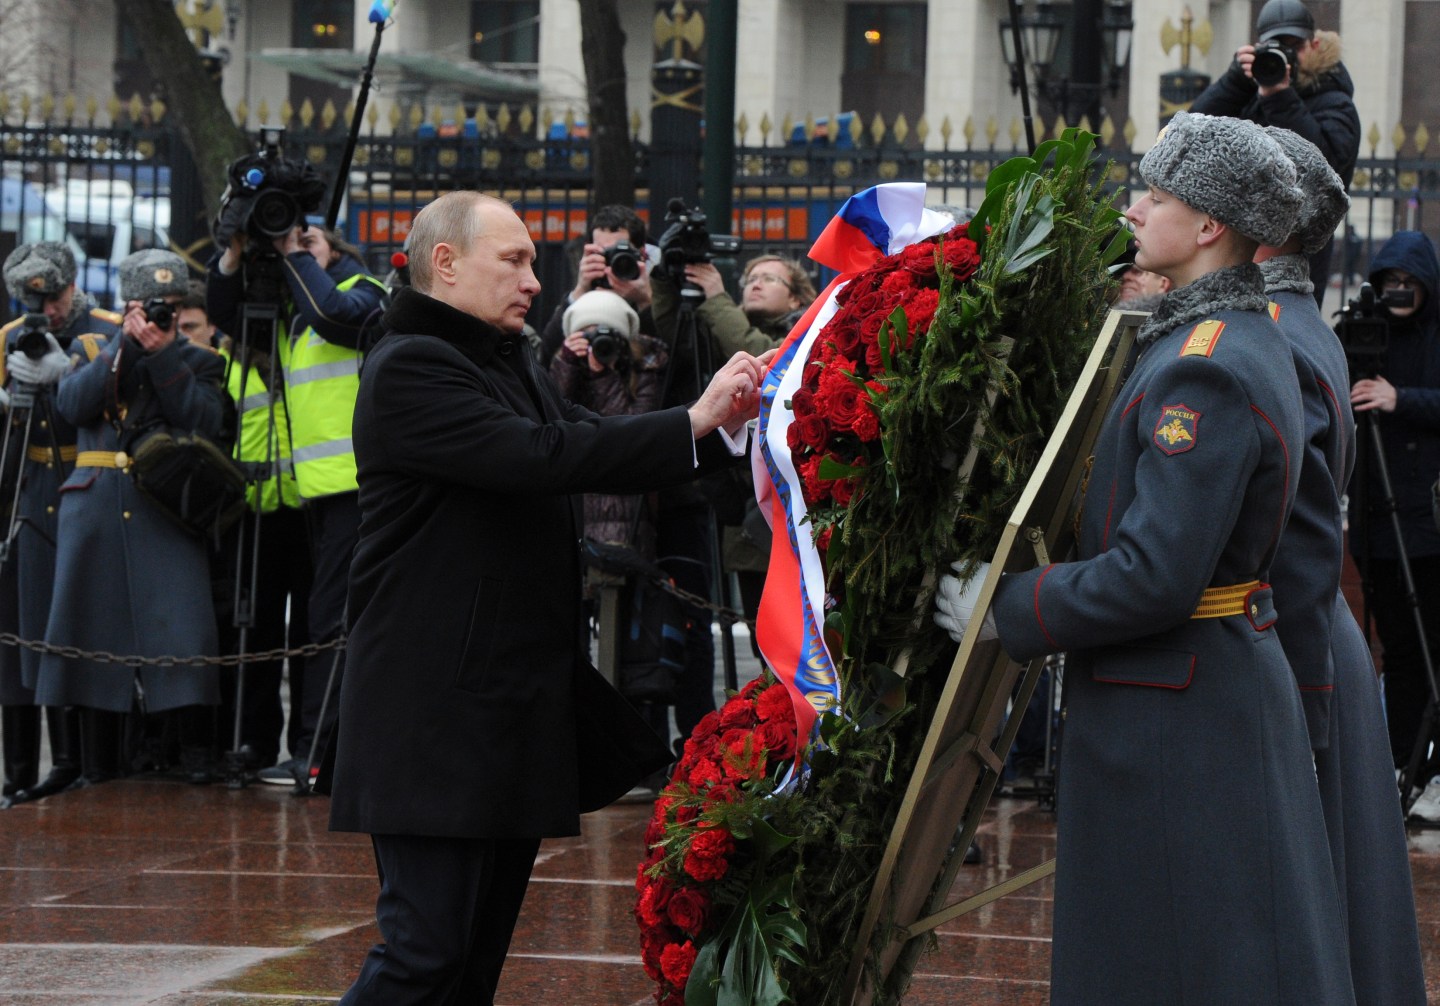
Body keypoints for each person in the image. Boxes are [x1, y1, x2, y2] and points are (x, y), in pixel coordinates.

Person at [935, 111, 1353, 1002]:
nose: (1133, 209)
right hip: (1196, 694)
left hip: (1179, 709)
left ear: (1209, 227)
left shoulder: (1204, 366)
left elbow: (1155, 575)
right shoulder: (1222, 336)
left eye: (1154, 195)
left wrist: (1008, 606)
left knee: (1175, 956)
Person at [327, 191, 771, 1004]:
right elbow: (539, 454)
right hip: (433, 713)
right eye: (516, 261)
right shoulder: (411, 364)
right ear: (446, 262)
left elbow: (584, 432)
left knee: (470, 963)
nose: (535, 280)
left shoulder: (497, 359)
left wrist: (709, 424)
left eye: (533, 262)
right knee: (424, 953)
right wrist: (691, 423)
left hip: (499, 708)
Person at [1256, 127, 1427, 1004]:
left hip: (1293, 638)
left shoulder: (1270, 335)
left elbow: (1298, 535)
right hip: (1313, 634)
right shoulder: (1288, 321)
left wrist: (1300, 696)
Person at [36, 249, 230, 787]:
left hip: (164, 510)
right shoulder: (93, 346)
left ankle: (193, 754)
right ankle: (95, 763)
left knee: (183, 634)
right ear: (128, 305)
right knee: (92, 634)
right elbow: (72, 407)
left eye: (169, 306)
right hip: (95, 508)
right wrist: (123, 344)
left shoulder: (200, 359)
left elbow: (204, 421)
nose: (160, 315)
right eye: (150, 306)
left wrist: (165, 356)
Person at [208, 223, 387, 785]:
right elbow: (226, 314)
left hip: (355, 487)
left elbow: (334, 315)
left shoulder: (363, 289)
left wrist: (292, 251)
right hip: (313, 492)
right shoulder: (291, 308)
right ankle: (311, 749)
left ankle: (318, 752)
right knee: (318, 622)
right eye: (289, 244)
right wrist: (236, 255)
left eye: (310, 242)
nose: (295, 254)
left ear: (334, 250)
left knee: (330, 622)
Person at [0, 242, 120, 806]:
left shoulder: (105, 328)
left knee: (77, 627)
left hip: (85, 486)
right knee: (23, 632)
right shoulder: (6, 339)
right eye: (31, 298)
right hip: (31, 489)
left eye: (52, 297)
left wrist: (66, 366)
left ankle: (84, 762)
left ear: (71, 287)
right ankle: (20, 770)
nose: (42, 309)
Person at [1345, 230, 1440, 791]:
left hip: (1428, 524)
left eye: (1410, 283)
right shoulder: (1362, 336)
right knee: (1398, 647)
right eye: (1391, 284)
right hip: (1378, 523)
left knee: (1432, 643)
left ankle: (1426, 759)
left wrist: (1399, 398)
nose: (1400, 293)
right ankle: (1403, 761)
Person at [207, 290, 312, 778]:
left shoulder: (301, 348)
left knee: (310, 630)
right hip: (252, 513)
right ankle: (254, 741)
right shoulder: (226, 360)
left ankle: (307, 745)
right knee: (256, 629)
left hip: (309, 505)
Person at [1191, 0, 1359, 300]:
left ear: (1315, 44)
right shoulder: (1251, 94)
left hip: (1298, 252)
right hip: (1236, 243)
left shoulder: (1335, 102)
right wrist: (1233, 83)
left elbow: (1327, 168)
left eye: (1294, 45)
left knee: (1286, 331)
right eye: (1275, 45)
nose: (1286, 55)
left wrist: (1280, 97)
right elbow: (1192, 136)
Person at [548, 288, 669, 558]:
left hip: (625, 511)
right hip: (577, 499)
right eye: (588, 335)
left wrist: (603, 376)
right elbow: (551, 419)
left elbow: (631, 430)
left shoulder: (645, 369)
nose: (597, 344)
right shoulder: (567, 366)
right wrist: (567, 364)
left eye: (605, 333)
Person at [538, 204, 654, 359]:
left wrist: (645, 301)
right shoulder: (586, 294)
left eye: (620, 252)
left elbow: (665, 358)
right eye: (603, 253)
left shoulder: (660, 288)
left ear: (642, 253)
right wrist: (580, 290)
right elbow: (546, 355)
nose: (612, 262)